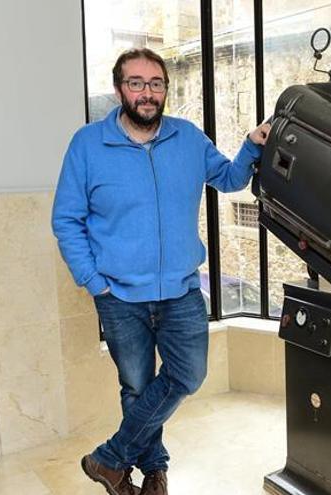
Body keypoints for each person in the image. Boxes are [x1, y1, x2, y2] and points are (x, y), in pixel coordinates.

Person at [52, 48, 271, 495]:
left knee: (187, 375)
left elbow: (229, 179)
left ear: (165, 90)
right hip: (119, 296)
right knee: (136, 387)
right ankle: (153, 472)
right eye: (136, 83)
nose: (147, 93)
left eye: (156, 83)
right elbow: (66, 219)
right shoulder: (88, 145)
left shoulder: (188, 138)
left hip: (181, 291)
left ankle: (109, 459)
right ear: (119, 90)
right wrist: (95, 282)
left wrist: (251, 144)